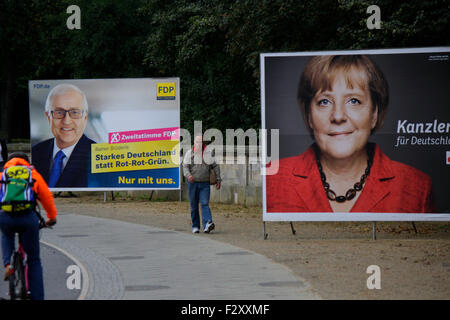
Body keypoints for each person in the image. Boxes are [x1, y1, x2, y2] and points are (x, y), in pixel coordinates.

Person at [267, 55, 436, 213]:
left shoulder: (417, 187)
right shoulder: (273, 179)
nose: (338, 116)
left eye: (353, 101)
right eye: (324, 101)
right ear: (309, 115)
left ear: (374, 114)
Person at [0, 152, 57, 300]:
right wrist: (51, 218)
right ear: (27, 163)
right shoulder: (33, 174)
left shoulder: (3, 175)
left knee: (6, 234)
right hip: (28, 218)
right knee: (34, 259)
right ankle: (38, 297)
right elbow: (46, 197)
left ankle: (8, 265)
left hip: (6, 216)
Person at [32, 83, 95, 188]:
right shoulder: (36, 151)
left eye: (74, 112)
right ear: (48, 117)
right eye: (59, 112)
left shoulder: (97, 156)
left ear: (85, 117)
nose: (66, 121)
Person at [183, 135, 221, 233]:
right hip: (192, 183)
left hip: (205, 184)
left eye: (200, 142)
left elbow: (215, 166)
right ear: (194, 142)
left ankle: (208, 224)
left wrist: (218, 179)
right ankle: (195, 226)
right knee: (193, 205)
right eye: (197, 142)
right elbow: (185, 167)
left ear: (203, 143)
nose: (199, 144)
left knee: (204, 203)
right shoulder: (189, 153)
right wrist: (188, 175)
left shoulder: (208, 153)